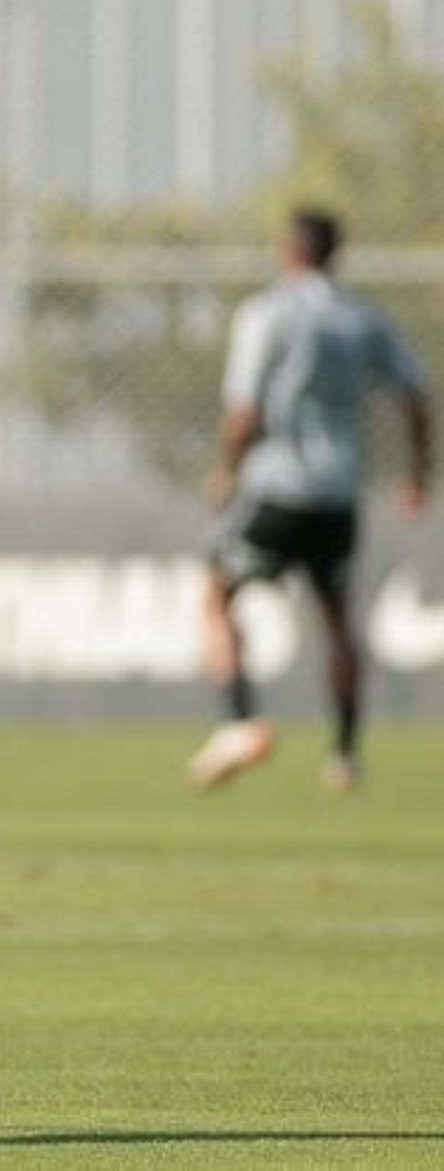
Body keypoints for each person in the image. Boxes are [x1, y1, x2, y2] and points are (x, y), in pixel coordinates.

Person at [189, 209, 431, 792]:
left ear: (287, 251)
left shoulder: (266, 314)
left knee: (216, 593)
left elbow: (244, 410)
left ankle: (240, 721)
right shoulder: (363, 320)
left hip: (277, 487)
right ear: (334, 255)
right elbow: (416, 395)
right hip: (338, 494)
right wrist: (418, 472)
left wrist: (227, 470)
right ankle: (345, 755)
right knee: (339, 619)